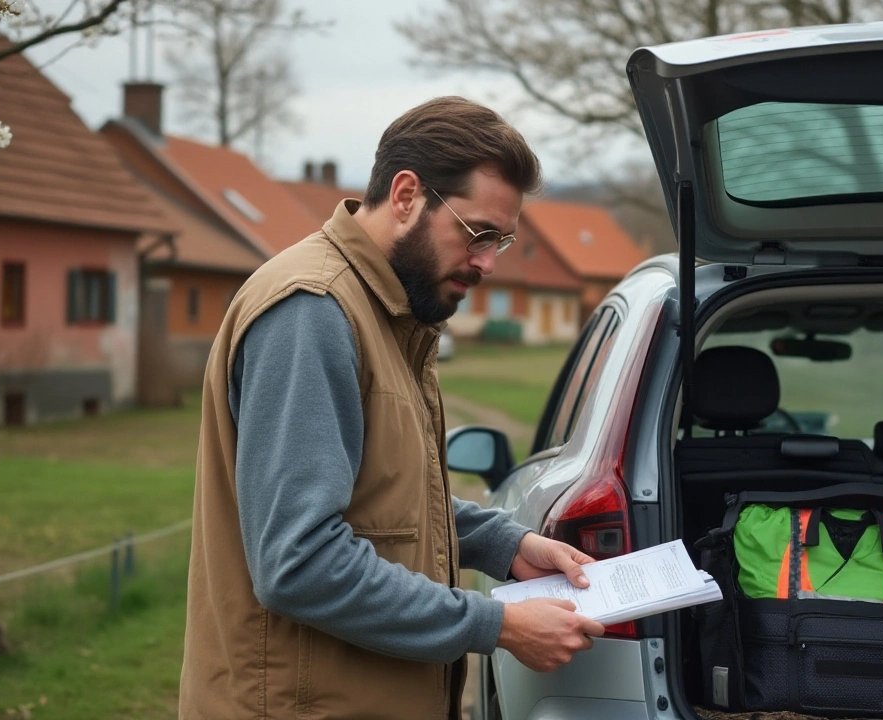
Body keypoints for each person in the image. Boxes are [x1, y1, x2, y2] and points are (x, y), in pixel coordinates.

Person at [179, 96, 607, 720]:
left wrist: (504, 545)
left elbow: (386, 498)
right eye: (477, 233)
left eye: (502, 241)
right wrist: (496, 624)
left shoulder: (392, 313)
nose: (488, 262)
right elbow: (301, 562)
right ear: (406, 195)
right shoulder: (312, 312)